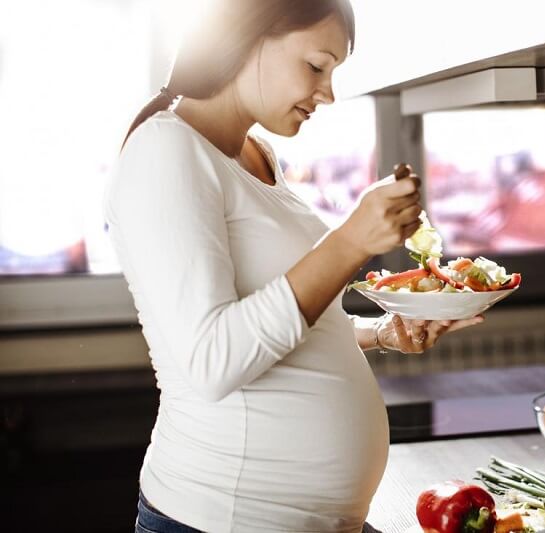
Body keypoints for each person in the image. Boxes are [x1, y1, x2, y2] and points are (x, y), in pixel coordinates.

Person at [102, 1, 483, 531]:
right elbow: (214, 358)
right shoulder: (166, 150)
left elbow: (279, 320)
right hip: (224, 519)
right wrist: (350, 241)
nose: (327, 93)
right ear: (247, 36)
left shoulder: (253, 152)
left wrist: (379, 333)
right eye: (316, 65)